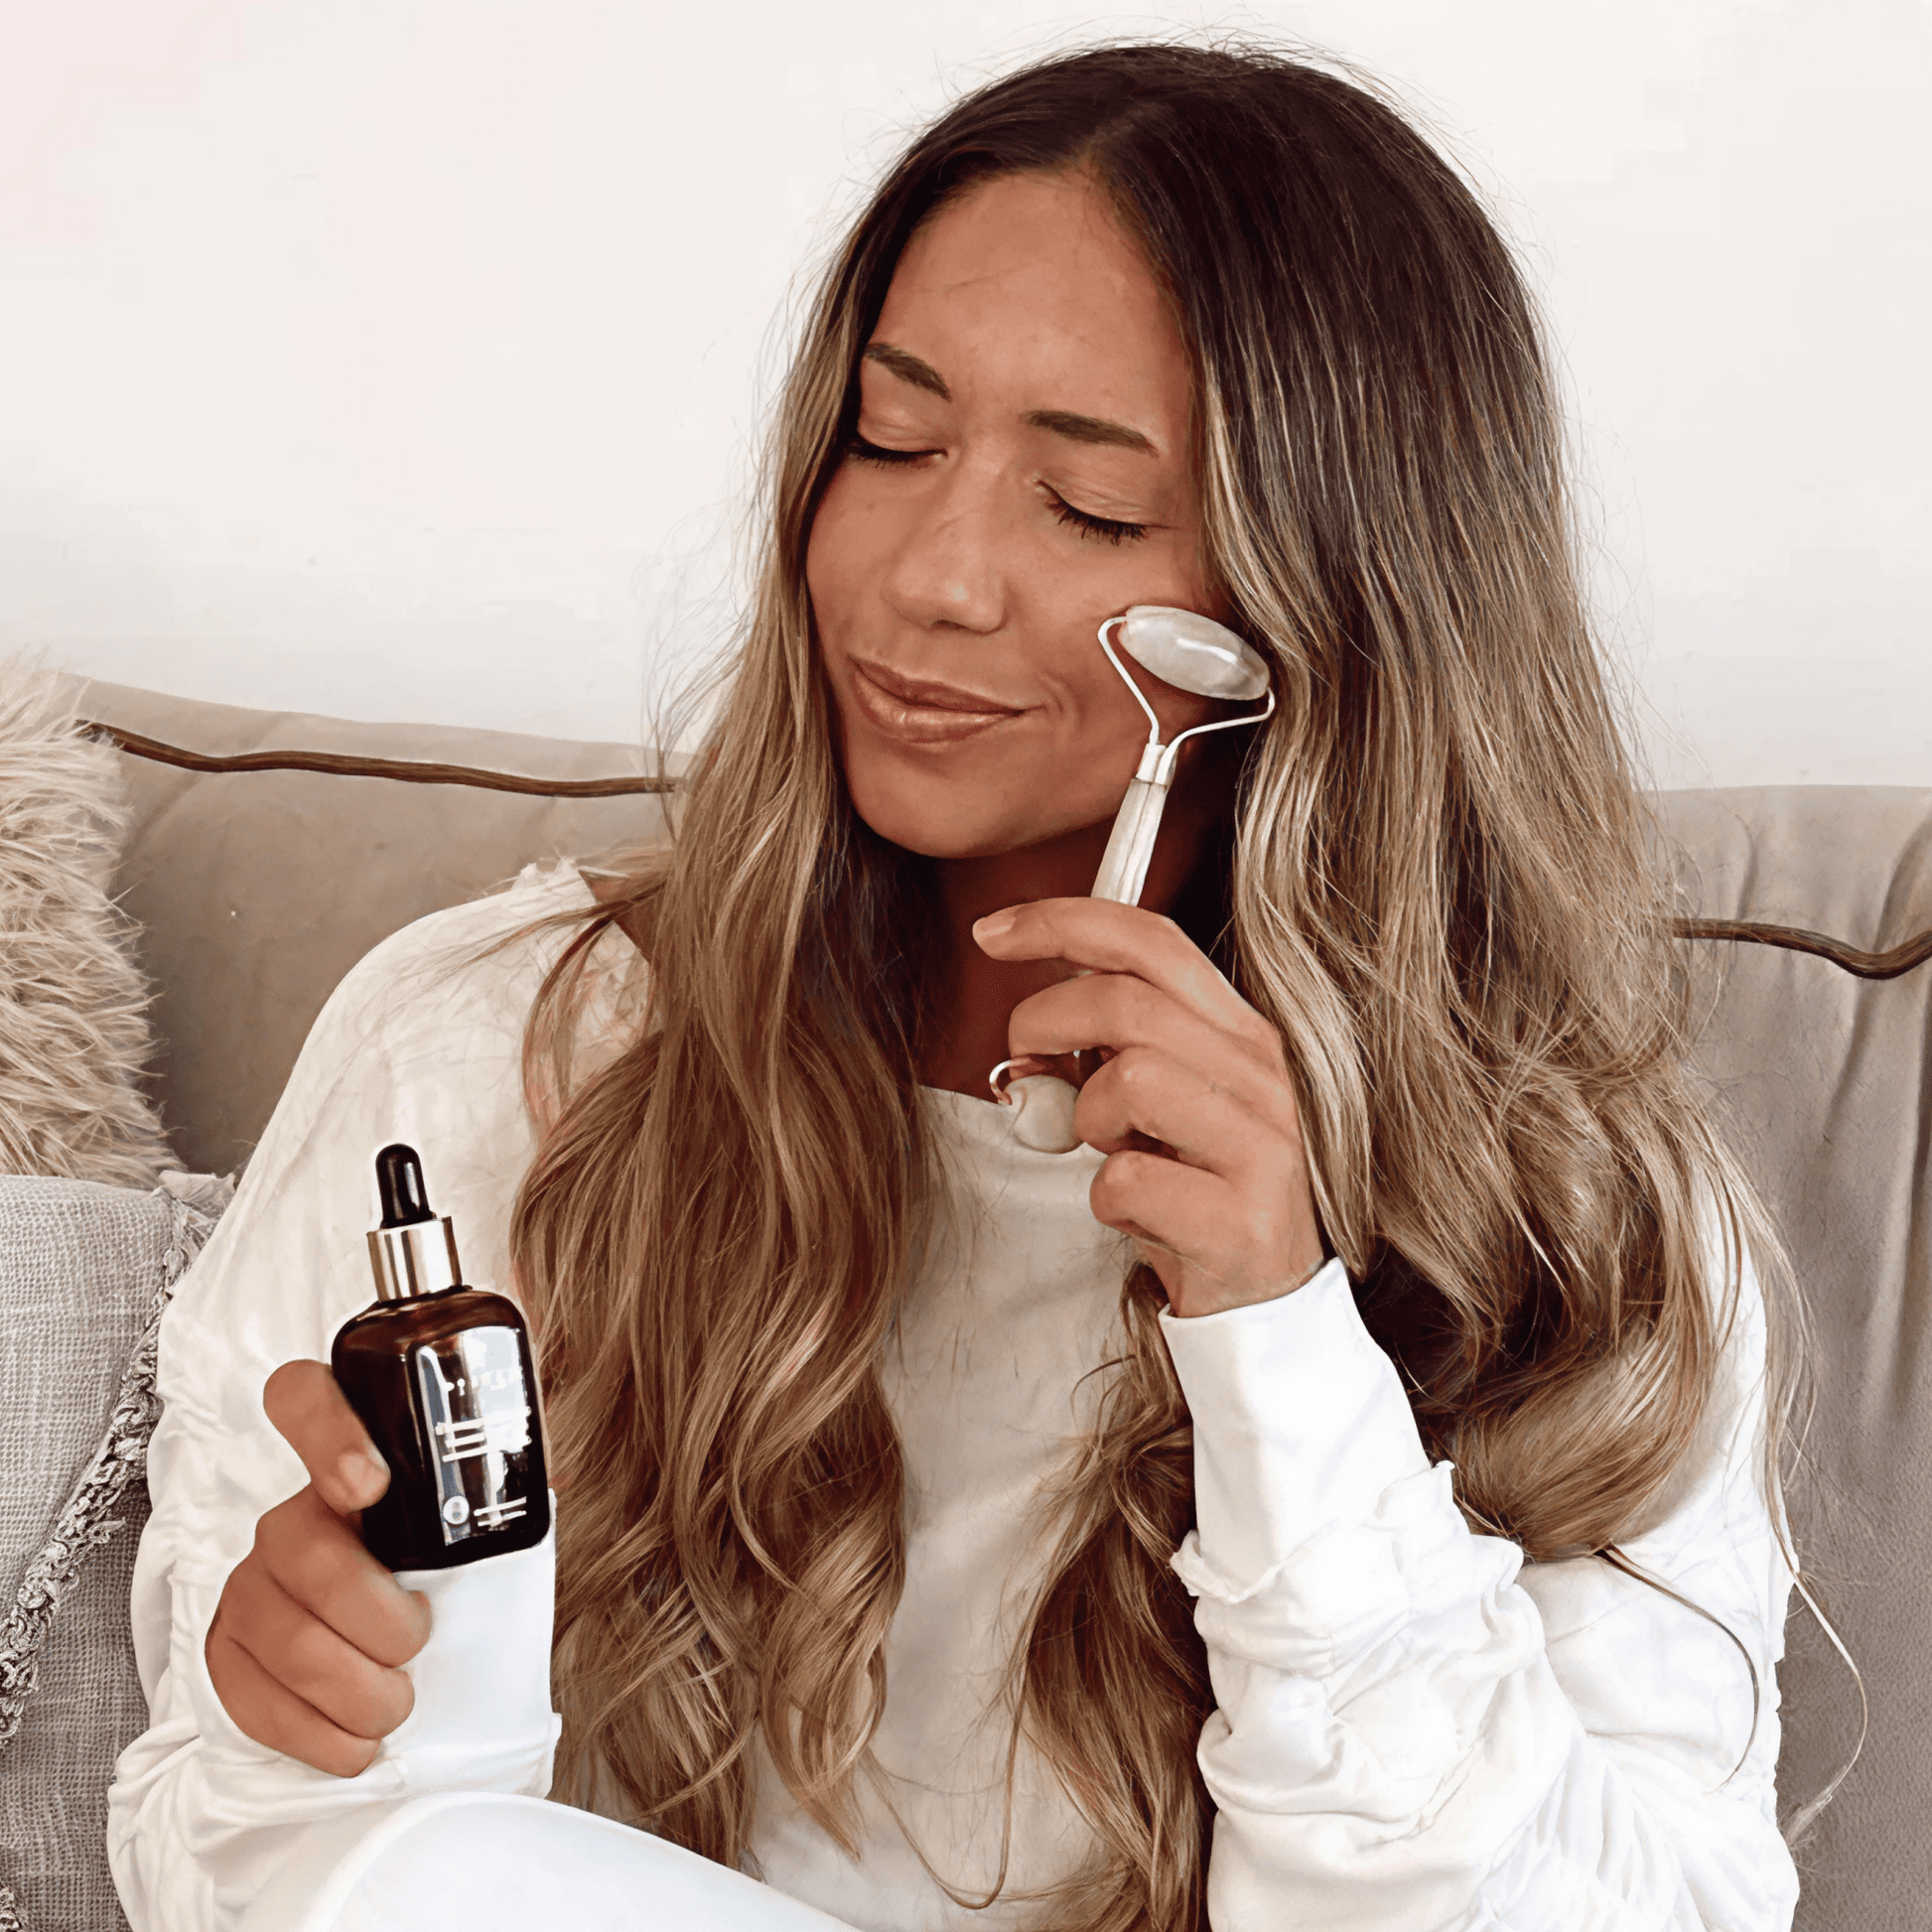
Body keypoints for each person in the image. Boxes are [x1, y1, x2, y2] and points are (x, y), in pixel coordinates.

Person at [107, 40, 1805, 1932]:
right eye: (891, 439)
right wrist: (310, 1737)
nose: (930, 574)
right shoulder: (494, 1043)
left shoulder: (1573, 1214)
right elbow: (261, 1870)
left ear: (1339, 599)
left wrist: (1276, 1340)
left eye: (1088, 506)